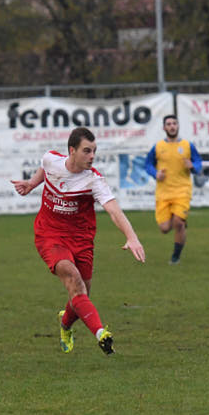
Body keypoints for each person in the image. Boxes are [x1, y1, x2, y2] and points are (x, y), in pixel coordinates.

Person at [11, 126, 145, 355]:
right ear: (72, 150)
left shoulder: (94, 180)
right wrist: (32, 184)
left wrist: (131, 237)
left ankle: (65, 324)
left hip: (82, 239)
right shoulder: (52, 159)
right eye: (86, 151)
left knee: (81, 294)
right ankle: (101, 334)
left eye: (94, 151)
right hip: (50, 235)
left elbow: (114, 210)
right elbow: (44, 167)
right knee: (73, 279)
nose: (92, 156)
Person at [144, 114, 202, 264]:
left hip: (183, 190)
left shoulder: (187, 145)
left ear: (178, 126)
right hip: (163, 192)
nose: (172, 126)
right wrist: (155, 173)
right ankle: (181, 221)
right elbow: (148, 164)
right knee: (164, 228)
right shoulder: (158, 147)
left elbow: (198, 162)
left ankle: (175, 257)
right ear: (164, 128)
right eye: (169, 124)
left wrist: (193, 166)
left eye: (174, 123)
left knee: (178, 223)